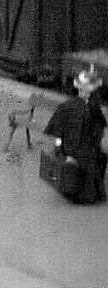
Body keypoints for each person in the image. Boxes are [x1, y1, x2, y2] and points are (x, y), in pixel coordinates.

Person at [44, 69, 107, 204]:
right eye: (83, 89)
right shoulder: (67, 106)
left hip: (88, 143)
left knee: (96, 158)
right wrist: (59, 147)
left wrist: (98, 139)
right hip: (71, 145)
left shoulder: (93, 106)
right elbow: (57, 129)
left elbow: (99, 124)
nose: (86, 92)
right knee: (79, 162)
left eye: (88, 90)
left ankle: (91, 194)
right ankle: (76, 193)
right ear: (79, 89)